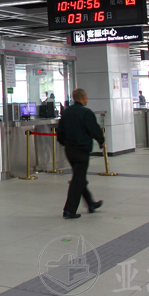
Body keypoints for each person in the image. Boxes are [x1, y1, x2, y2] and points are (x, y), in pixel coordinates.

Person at [56, 88, 104, 219]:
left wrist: (64, 143)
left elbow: (60, 132)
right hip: (81, 150)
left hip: (69, 150)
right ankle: (69, 210)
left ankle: (91, 203)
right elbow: (94, 129)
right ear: (82, 97)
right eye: (86, 97)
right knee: (77, 180)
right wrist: (101, 141)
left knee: (79, 177)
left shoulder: (66, 112)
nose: (87, 99)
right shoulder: (86, 112)